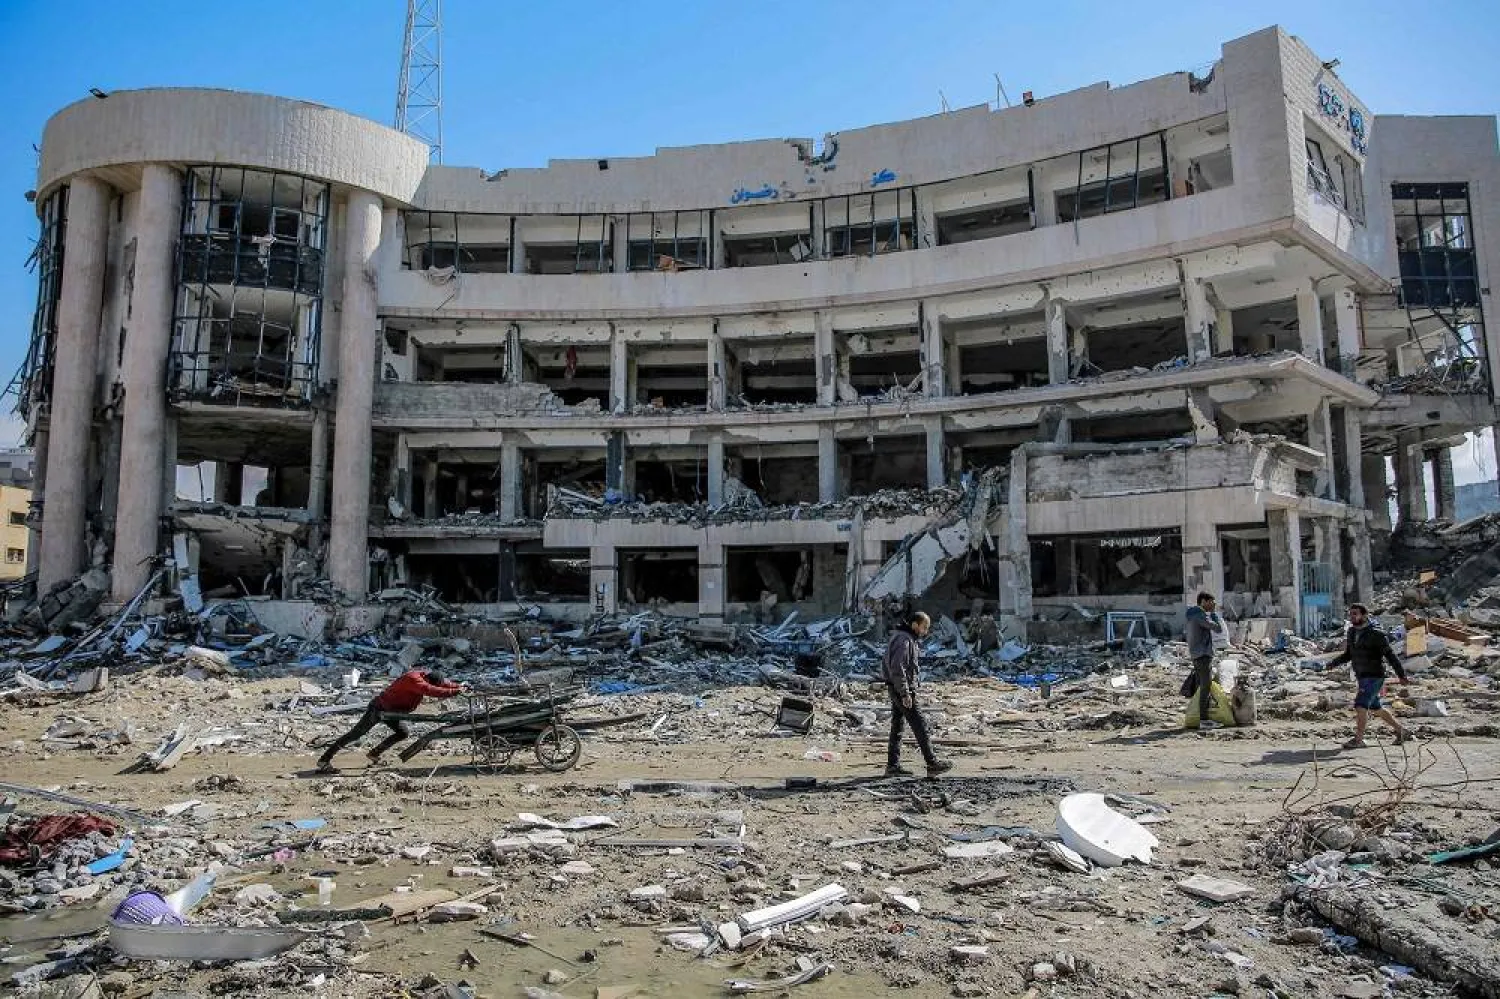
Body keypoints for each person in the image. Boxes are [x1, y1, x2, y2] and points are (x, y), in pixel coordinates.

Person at [317, 670, 464, 772]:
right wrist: (453, 692)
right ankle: (324, 760)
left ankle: (374, 754)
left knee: (402, 733)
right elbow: (431, 690)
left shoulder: (425, 676)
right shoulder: (414, 680)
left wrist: (459, 687)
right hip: (379, 708)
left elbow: (442, 684)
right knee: (355, 734)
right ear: (429, 680)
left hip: (392, 711)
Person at [1326, 603, 1412, 749]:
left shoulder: (1376, 634)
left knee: (1360, 705)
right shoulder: (1352, 632)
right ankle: (1401, 731)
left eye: (1355, 614)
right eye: (1351, 614)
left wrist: (1401, 675)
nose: (1352, 616)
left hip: (1374, 675)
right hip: (1362, 675)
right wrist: (1333, 663)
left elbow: (1390, 656)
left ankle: (1358, 740)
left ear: (1364, 615)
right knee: (1375, 707)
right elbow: (1349, 654)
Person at [882, 610, 952, 778]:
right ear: (915, 625)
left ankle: (893, 766)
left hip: (897, 687)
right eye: (924, 627)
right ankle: (932, 762)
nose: (925, 632)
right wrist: (905, 693)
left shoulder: (904, 638)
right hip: (901, 689)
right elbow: (897, 667)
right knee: (920, 725)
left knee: (897, 727)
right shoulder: (904, 640)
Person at [1184, 592, 1222, 730]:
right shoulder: (1199, 615)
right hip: (1202, 655)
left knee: (1202, 687)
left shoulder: (1193, 615)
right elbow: (1218, 628)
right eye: (1212, 602)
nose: (1214, 605)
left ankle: (1202, 718)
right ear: (1204, 602)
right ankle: (1204, 720)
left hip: (1197, 654)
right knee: (1205, 687)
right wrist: (1214, 614)